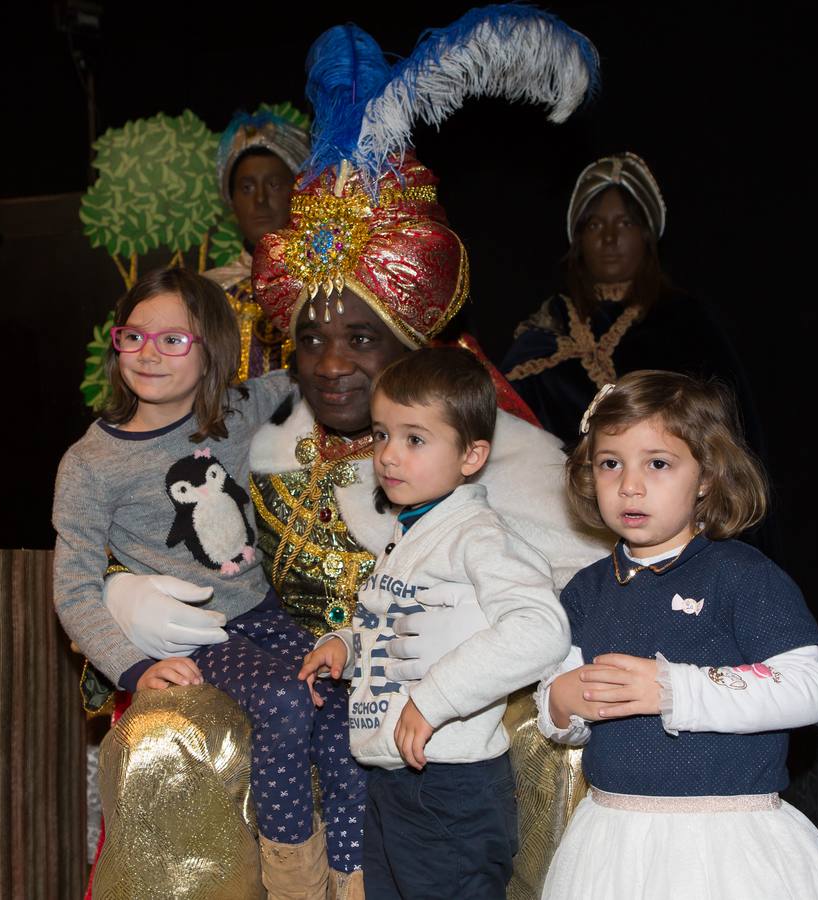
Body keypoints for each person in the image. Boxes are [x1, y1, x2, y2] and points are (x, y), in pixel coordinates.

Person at [92, 11, 602, 899]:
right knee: (163, 740)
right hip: (294, 691)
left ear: (411, 347)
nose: (330, 363)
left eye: (361, 340)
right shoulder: (263, 449)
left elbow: (567, 601)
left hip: (435, 732)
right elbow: (174, 534)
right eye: (312, 336)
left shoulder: (501, 462)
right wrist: (121, 595)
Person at [534, 370, 818, 899]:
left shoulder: (743, 576)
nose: (630, 485)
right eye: (610, 463)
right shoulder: (587, 590)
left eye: (658, 464)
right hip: (612, 840)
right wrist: (561, 705)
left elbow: (805, 690)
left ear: (705, 477)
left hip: (727, 840)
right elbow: (564, 702)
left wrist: (674, 689)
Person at [299, 347, 570, 898]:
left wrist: (435, 698)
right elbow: (404, 623)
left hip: (450, 784)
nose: (389, 456)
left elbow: (541, 629)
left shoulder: (478, 536)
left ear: (471, 456)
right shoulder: (413, 531)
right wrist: (347, 647)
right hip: (396, 778)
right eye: (381, 435)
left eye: (414, 439)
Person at [53, 266, 290, 695]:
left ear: (212, 354)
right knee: (285, 699)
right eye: (133, 336)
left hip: (265, 614)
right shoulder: (90, 463)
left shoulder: (234, 415)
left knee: (338, 707)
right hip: (191, 643)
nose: (148, 354)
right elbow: (74, 588)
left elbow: (297, 380)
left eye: (172, 340)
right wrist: (133, 669)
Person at [502, 153, 762, 455]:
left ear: (646, 235)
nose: (610, 238)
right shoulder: (549, 325)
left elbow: (727, 430)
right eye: (595, 226)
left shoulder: (683, 320)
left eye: (624, 223)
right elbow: (504, 421)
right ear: (579, 241)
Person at [205, 103, 311, 380]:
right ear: (232, 201)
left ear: (297, 193)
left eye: (274, 185)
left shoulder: (326, 287)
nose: (260, 201)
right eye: (247, 187)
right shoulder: (207, 295)